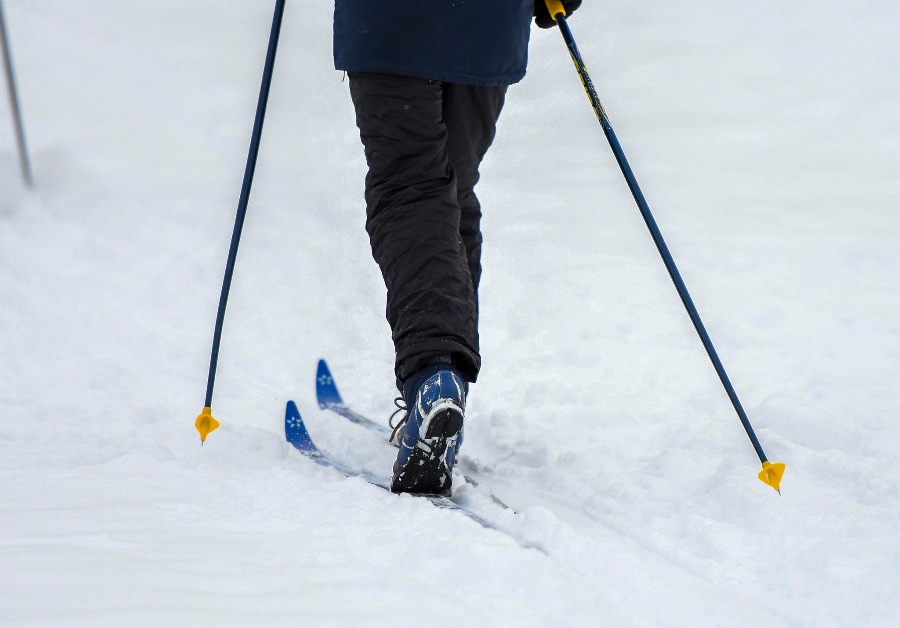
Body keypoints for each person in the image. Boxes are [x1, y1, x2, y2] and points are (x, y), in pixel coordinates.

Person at [334, 0, 582, 495]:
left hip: (391, 23)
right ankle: (445, 390)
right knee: (447, 193)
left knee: (411, 190)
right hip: (485, 25)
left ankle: (434, 375)